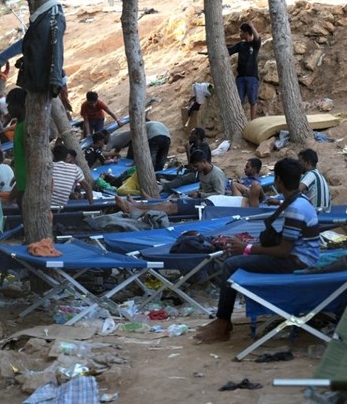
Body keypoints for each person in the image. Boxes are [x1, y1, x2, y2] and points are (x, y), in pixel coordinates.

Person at [194, 158, 320, 343]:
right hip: (299, 255)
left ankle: (222, 324)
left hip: (297, 261)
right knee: (237, 257)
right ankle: (222, 321)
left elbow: (284, 251)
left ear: (277, 181)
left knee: (230, 265)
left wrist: (247, 248)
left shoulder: (295, 208)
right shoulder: (300, 200)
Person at [114, 151, 225, 216]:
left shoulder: (217, 174)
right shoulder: (202, 172)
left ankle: (136, 209)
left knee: (170, 206)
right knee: (173, 199)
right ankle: (140, 205)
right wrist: (197, 193)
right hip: (200, 199)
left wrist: (200, 195)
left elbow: (220, 195)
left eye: (197, 166)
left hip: (209, 204)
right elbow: (203, 188)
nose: (195, 169)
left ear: (204, 161)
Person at [159, 128, 211, 192]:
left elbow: (195, 165)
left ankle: (162, 187)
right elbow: (192, 163)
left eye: (192, 134)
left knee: (181, 179)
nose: (189, 136)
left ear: (198, 136)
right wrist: (183, 166)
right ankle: (165, 182)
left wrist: (187, 151)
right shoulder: (194, 146)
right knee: (163, 175)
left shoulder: (203, 147)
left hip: (200, 174)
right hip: (192, 171)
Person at [227, 22, 262, 121]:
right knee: (239, 100)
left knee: (252, 100)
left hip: (252, 77)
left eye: (241, 32)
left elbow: (258, 37)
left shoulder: (255, 45)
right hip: (240, 78)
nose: (239, 34)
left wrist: (252, 26)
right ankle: (239, 120)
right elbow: (228, 51)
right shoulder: (240, 45)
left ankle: (253, 121)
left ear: (246, 33)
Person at [8, 87, 28, 208]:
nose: (8, 107)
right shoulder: (19, 125)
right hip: (22, 187)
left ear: (20, 105)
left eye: (10, 104)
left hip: (27, 189)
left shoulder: (26, 127)